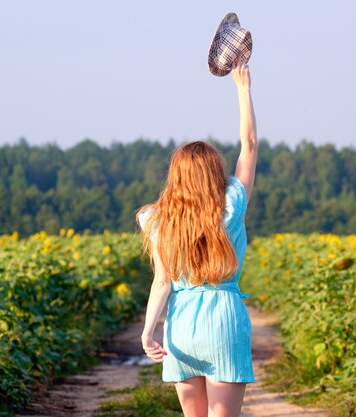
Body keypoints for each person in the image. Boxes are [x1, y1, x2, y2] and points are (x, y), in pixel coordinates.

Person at [136, 56, 257, 417]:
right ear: (214, 174)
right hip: (224, 321)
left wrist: (147, 333)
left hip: (182, 329)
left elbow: (161, 283)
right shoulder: (231, 207)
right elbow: (248, 146)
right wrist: (243, 89)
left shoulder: (157, 221)